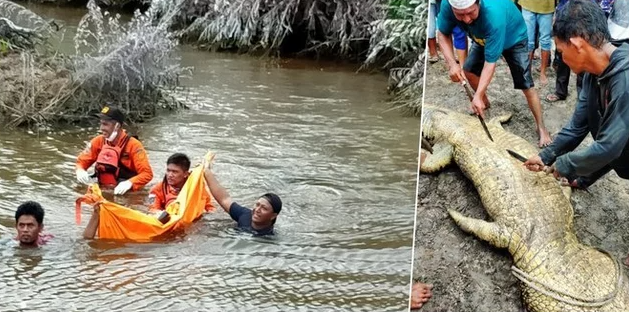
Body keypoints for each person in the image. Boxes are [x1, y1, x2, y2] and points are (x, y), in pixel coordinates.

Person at [523, 0, 629, 191]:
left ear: (577, 44)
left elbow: (609, 147)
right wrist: (546, 156)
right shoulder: (592, 73)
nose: (562, 58)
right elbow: (578, 126)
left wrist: (564, 165)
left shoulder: (625, 81)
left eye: (561, 51)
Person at [436, 0, 552, 147]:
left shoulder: (493, 14)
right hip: (482, 38)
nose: (466, 19)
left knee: (526, 84)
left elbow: (490, 64)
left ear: (479, 3)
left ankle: (541, 128)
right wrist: (452, 63)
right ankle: (483, 102)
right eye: (460, 14)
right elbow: (443, 33)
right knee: (469, 70)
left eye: (470, 12)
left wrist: (476, 94)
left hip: (514, 38)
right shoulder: (448, 5)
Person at [75, 106, 153, 195]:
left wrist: (130, 183)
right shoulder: (98, 141)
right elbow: (81, 161)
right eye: (101, 124)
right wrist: (80, 170)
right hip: (103, 188)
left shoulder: (134, 145)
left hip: (126, 193)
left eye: (105, 124)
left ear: (117, 126)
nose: (101, 128)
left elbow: (147, 174)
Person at [202, 153, 282, 236]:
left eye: (264, 208)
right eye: (257, 205)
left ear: (273, 216)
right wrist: (206, 171)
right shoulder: (245, 215)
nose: (257, 210)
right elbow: (224, 199)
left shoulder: (269, 238)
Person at [148, 153, 214, 213]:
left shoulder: (196, 188)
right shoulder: (156, 189)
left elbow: (209, 207)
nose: (170, 175)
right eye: (168, 170)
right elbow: (152, 210)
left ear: (185, 174)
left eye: (174, 172)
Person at [519, 0, 555, 85]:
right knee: (528, 41)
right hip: (527, 4)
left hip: (546, 6)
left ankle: (543, 72)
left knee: (545, 41)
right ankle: (527, 72)